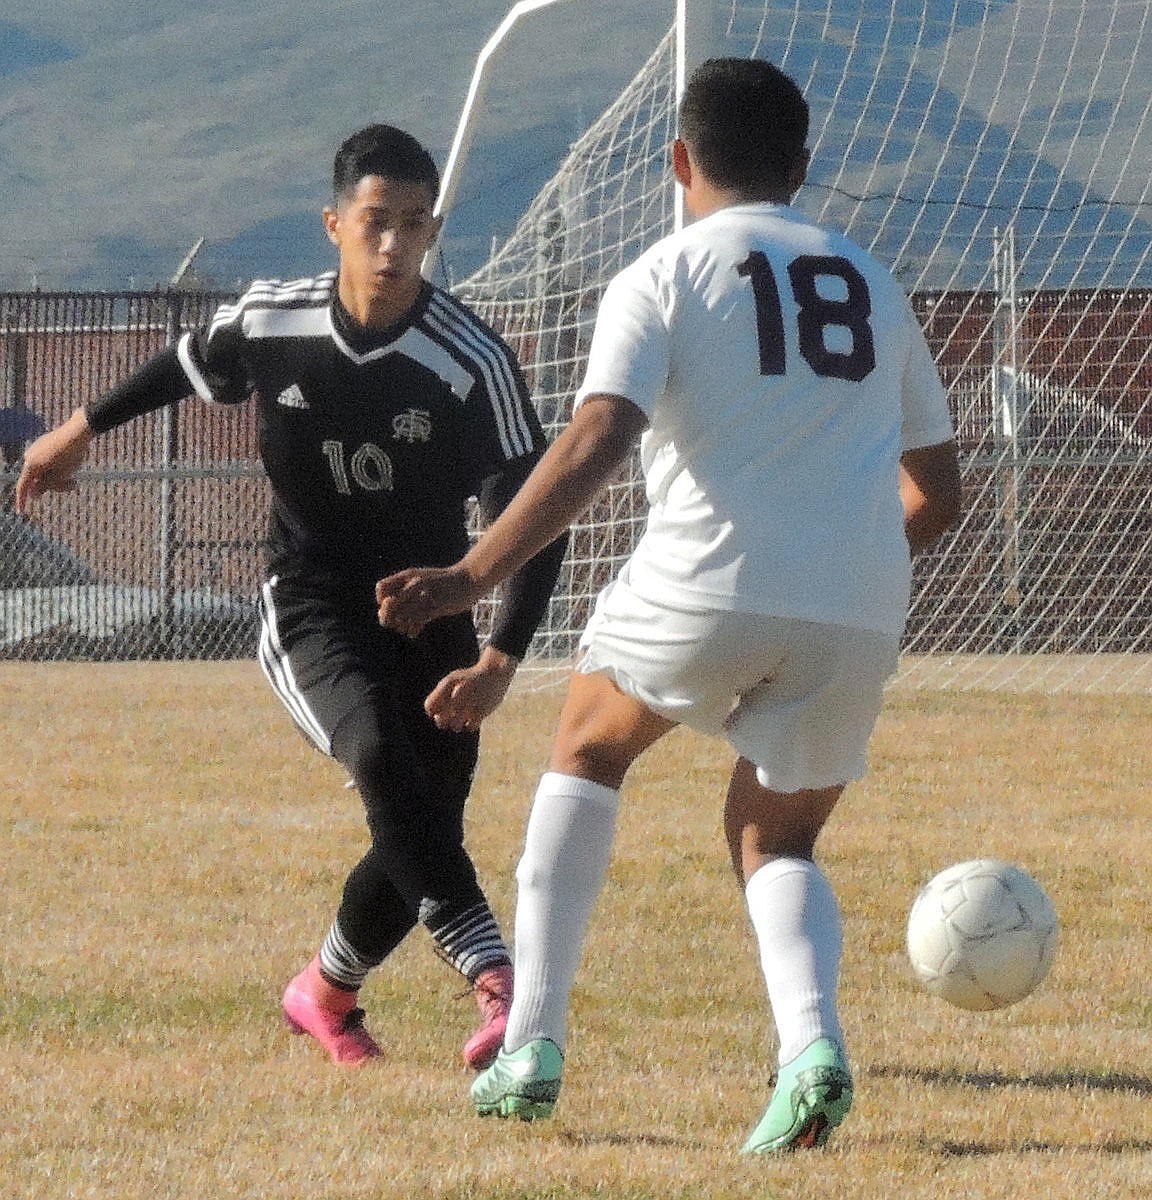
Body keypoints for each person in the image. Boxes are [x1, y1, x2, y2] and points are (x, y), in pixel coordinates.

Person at [375, 60, 961, 1150]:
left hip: (707, 578)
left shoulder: (666, 271)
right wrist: (845, 567)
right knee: (774, 837)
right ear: (802, 167)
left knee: (590, 748)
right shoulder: (874, 282)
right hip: (859, 601)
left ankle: (532, 1046)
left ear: (680, 161)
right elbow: (941, 493)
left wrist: (471, 577)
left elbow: (599, 435)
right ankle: (812, 1050)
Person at [16, 124, 568, 1072]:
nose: (392, 246)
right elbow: (185, 364)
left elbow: (532, 518)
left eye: (412, 227)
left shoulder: (470, 360)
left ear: (434, 233)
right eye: (373, 222)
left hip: (434, 612)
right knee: (386, 766)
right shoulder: (273, 320)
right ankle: (496, 976)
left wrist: (497, 656)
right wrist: (77, 428)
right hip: (310, 601)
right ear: (333, 224)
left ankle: (323, 992)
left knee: (425, 820)